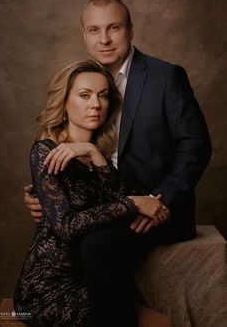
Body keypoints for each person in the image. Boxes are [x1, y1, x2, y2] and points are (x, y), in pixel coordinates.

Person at [24, 0, 212, 325]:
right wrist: (45, 189)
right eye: (94, 30)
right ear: (84, 35)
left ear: (130, 30)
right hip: (108, 205)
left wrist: (157, 201)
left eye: (114, 28)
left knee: (96, 245)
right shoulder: (83, 82)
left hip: (157, 207)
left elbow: (195, 147)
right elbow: (67, 155)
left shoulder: (165, 77)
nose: (105, 39)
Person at [14, 60, 170, 327]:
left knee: (162, 322)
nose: (95, 104)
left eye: (103, 95)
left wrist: (93, 152)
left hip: (87, 280)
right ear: (64, 102)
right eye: (84, 95)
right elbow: (66, 226)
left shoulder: (98, 158)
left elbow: (126, 199)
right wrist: (132, 203)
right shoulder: (45, 152)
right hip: (45, 291)